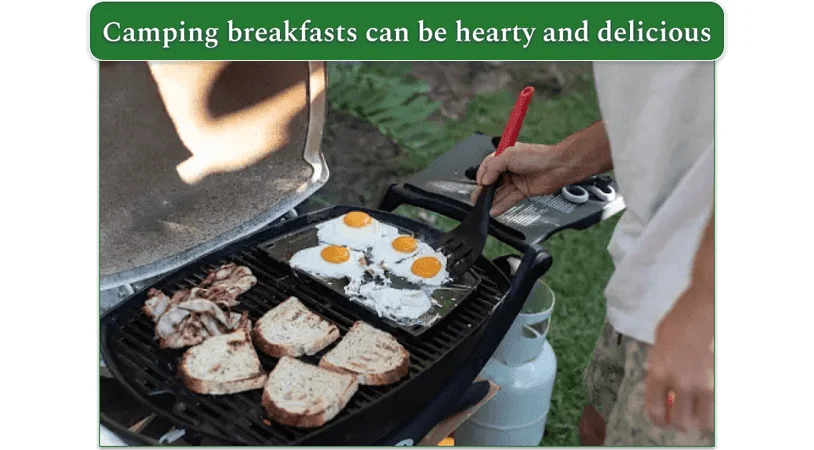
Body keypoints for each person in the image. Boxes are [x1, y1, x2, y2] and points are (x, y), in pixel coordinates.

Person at [472, 62, 714, 446]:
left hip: (700, 312)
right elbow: (672, 100)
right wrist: (563, 160)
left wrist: (704, 310)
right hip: (648, 270)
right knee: (598, 427)